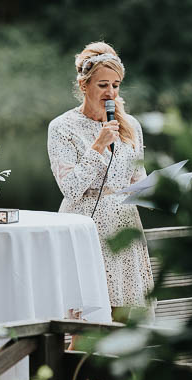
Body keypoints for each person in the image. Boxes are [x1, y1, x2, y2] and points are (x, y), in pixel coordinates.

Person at [46, 42, 154, 311]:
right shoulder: (61, 127)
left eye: (116, 85)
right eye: (103, 85)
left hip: (125, 229)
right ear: (84, 85)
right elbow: (70, 189)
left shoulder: (131, 125)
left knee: (126, 320)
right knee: (85, 326)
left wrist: (162, 188)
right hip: (84, 228)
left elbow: (137, 181)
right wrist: (98, 145)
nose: (111, 92)